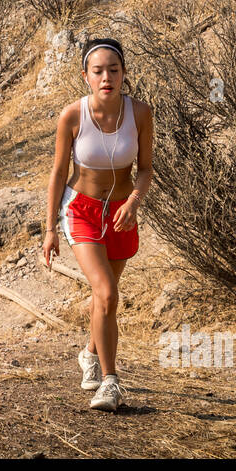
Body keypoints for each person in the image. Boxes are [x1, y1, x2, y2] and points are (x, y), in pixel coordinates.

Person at [42, 38, 153, 412]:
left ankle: (89, 352)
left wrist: (134, 203)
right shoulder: (72, 116)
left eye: (114, 70)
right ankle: (110, 382)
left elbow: (146, 169)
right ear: (86, 76)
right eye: (98, 71)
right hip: (82, 211)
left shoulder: (140, 113)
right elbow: (58, 173)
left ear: (124, 74)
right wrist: (50, 229)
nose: (107, 77)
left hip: (122, 212)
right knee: (106, 293)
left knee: (105, 297)